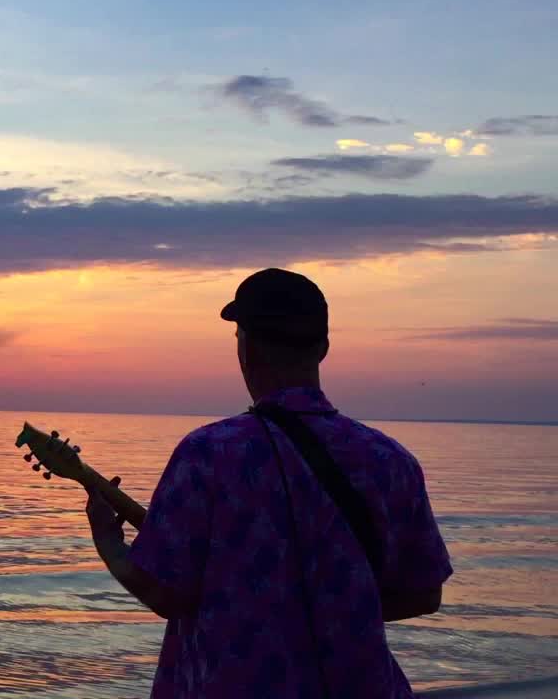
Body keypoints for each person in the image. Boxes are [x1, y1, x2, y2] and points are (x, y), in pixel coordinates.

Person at [81, 267, 453, 698]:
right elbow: (424, 594)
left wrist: (109, 543)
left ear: (246, 347)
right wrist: (326, 609)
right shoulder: (390, 461)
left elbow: (166, 592)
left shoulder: (209, 453)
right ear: (324, 348)